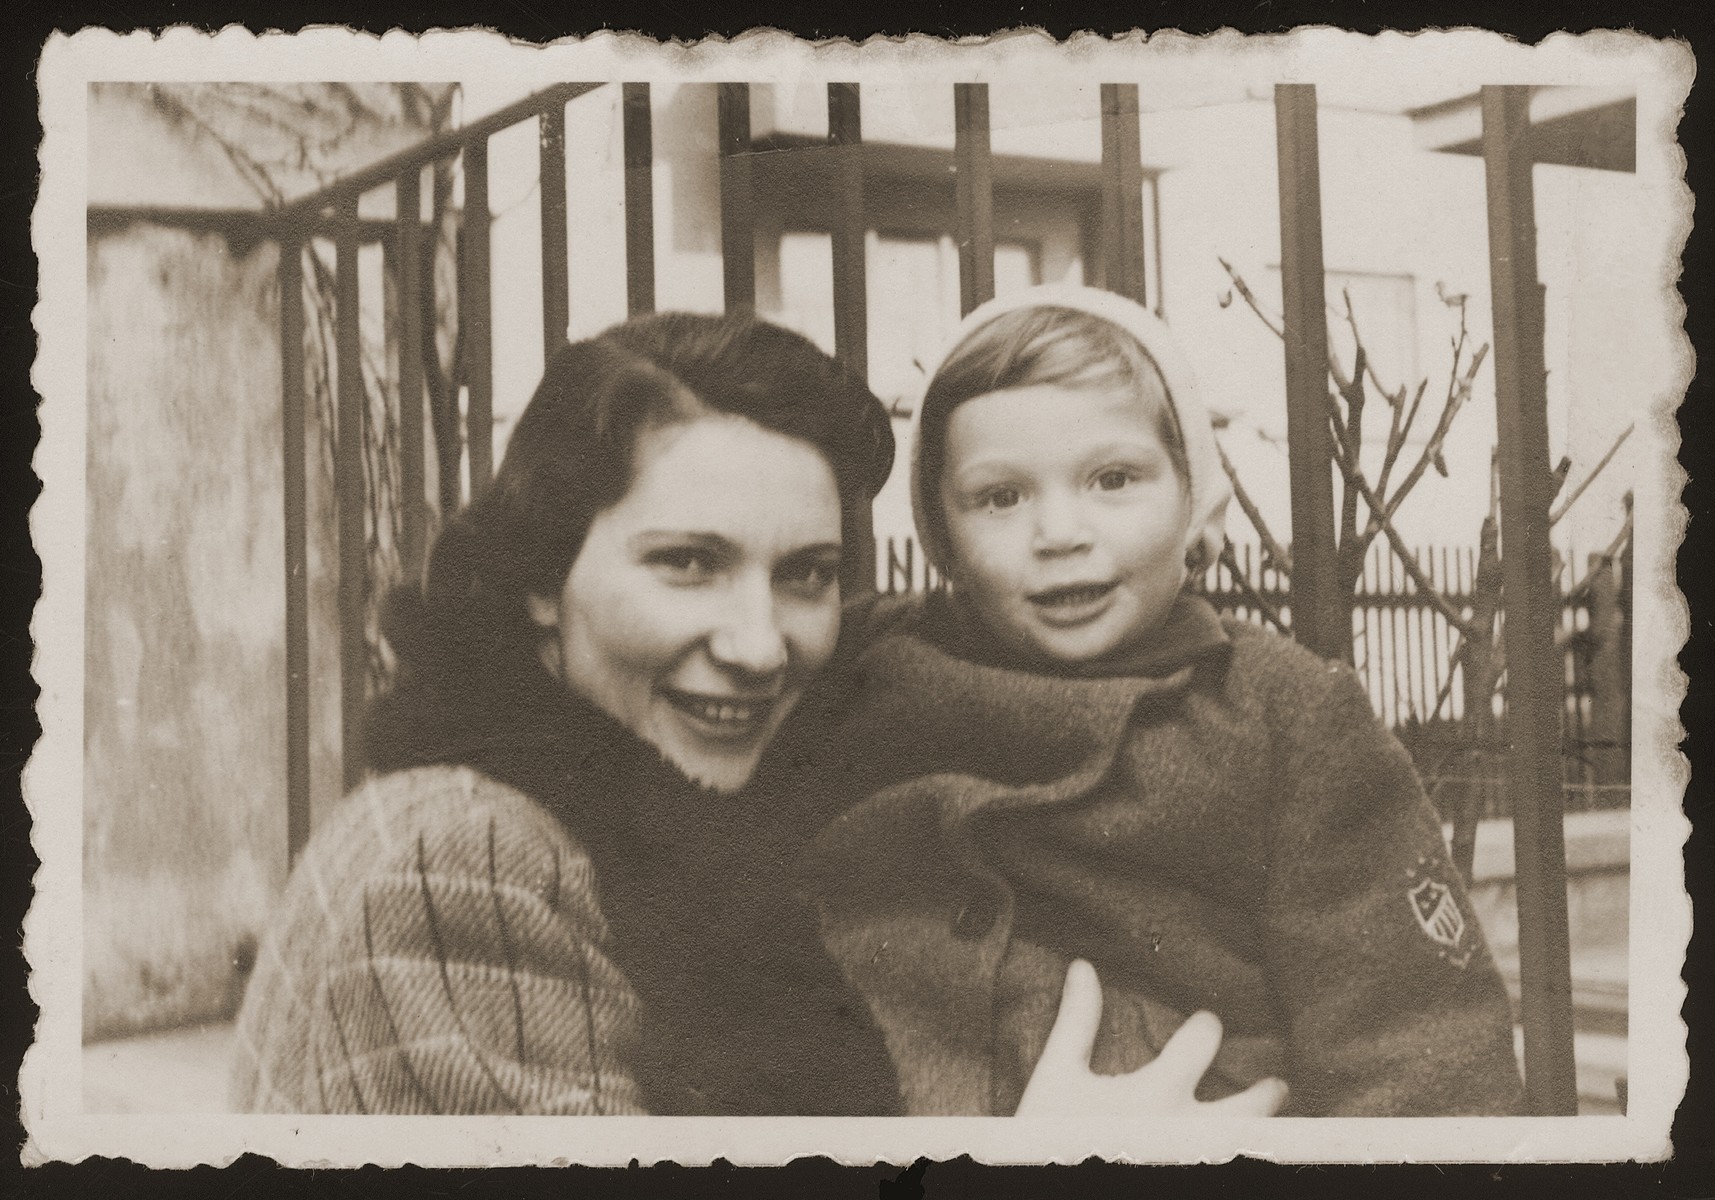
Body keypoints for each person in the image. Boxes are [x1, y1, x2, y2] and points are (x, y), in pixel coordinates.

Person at [803, 284, 1527, 1117]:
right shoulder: (867, 671)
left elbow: (1412, 1038)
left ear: (1195, 509)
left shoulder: (1277, 710)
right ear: (943, 536)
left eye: (1113, 479)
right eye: (1000, 498)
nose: (1060, 532)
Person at [230, 312, 903, 1115]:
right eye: (687, 563)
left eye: (806, 575)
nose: (759, 649)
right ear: (542, 578)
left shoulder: (573, 810)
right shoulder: (465, 862)